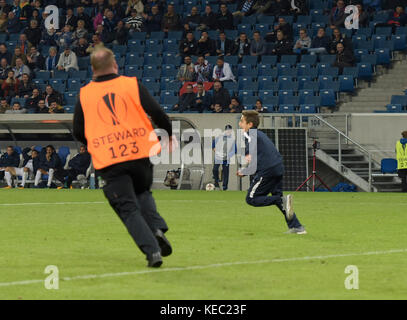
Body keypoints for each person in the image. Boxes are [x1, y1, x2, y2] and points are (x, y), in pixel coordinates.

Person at [73, 47, 176, 268]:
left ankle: (152, 251)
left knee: (127, 207)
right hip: (140, 154)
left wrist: (94, 142)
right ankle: (156, 228)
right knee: (142, 192)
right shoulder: (131, 84)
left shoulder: (85, 94)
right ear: (115, 65)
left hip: (110, 159)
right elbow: (157, 112)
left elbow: (78, 130)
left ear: (92, 69)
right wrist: (167, 134)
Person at [237, 110, 307, 234]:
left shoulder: (250, 135)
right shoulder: (261, 134)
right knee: (280, 199)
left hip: (267, 170)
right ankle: (297, 227)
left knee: (251, 199)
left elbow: (250, 157)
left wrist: (245, 171)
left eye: (242, 121)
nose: (239, 124)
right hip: (278, 168)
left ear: (250, 124)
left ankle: (280, 201)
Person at [212, 125, 236, 190]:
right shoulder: (219, 137)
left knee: (226, 173)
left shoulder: (232, 140)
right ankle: (216, 181)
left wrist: (228, 155)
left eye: (229, 130)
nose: (228, 131)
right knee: (215, 169)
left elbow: (234, 150)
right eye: (227, 130)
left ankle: (224, 187)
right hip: (218, 157)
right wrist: (216, 151)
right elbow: (213, 146)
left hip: (226, 159)